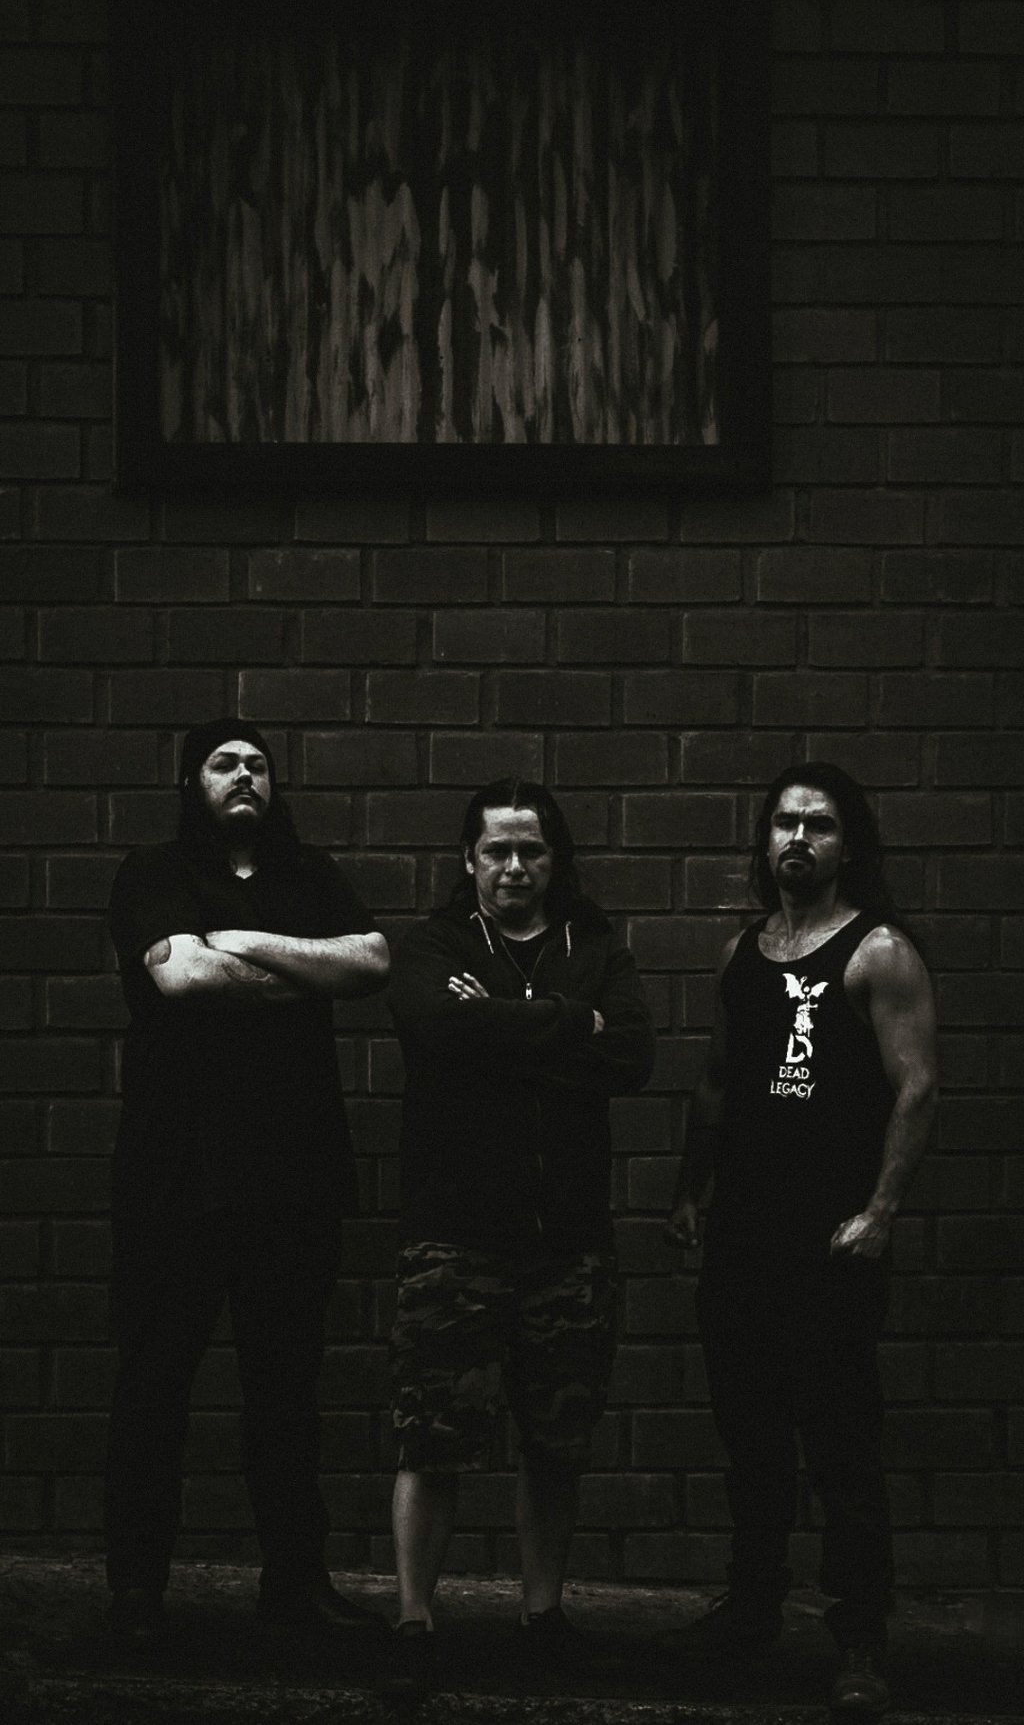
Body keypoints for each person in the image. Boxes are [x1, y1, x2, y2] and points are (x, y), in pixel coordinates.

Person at [105, 719, 390, 1643]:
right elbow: (183, 978)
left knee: (287, 1395)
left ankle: (295, 1585)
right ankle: (136, 1592)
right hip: (175, 1175)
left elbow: (372, 961)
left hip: (292, 1178)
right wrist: (302, 968)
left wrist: (240, 937)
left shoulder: (311, 873)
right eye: (224, 764)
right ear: (193, 782)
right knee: (155, 1387)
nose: (244, 777)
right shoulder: (152, 871)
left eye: (258, 766)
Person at [665, 763, 937, 1716]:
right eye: (784, 822)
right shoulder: (743, 952)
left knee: (840, 1445)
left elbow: (917, 1089)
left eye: (818, 825)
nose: (797, 839)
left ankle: (859, 1635)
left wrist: (880, 1212)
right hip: (744, 1239)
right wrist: (691, 1192)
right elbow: (716, 1082)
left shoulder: (878, 951)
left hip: (830, 1246)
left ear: (846, 846)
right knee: (751, 1440)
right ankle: (751, 1610)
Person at [385, 779, 655, 1692]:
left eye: (530, 851)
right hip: (454, 1238)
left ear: (555, 860)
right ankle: (414, 1621)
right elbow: (436, 1031)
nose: (513, 867)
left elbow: (631, 1055)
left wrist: (496, 1023)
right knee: (433, 1441)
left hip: (567, 1244)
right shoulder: (435, 946)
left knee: (556, 1444)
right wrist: (568, 1023)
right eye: (496, 850)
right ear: (469, 860)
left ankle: (543, 1615)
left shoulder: (596, 948)